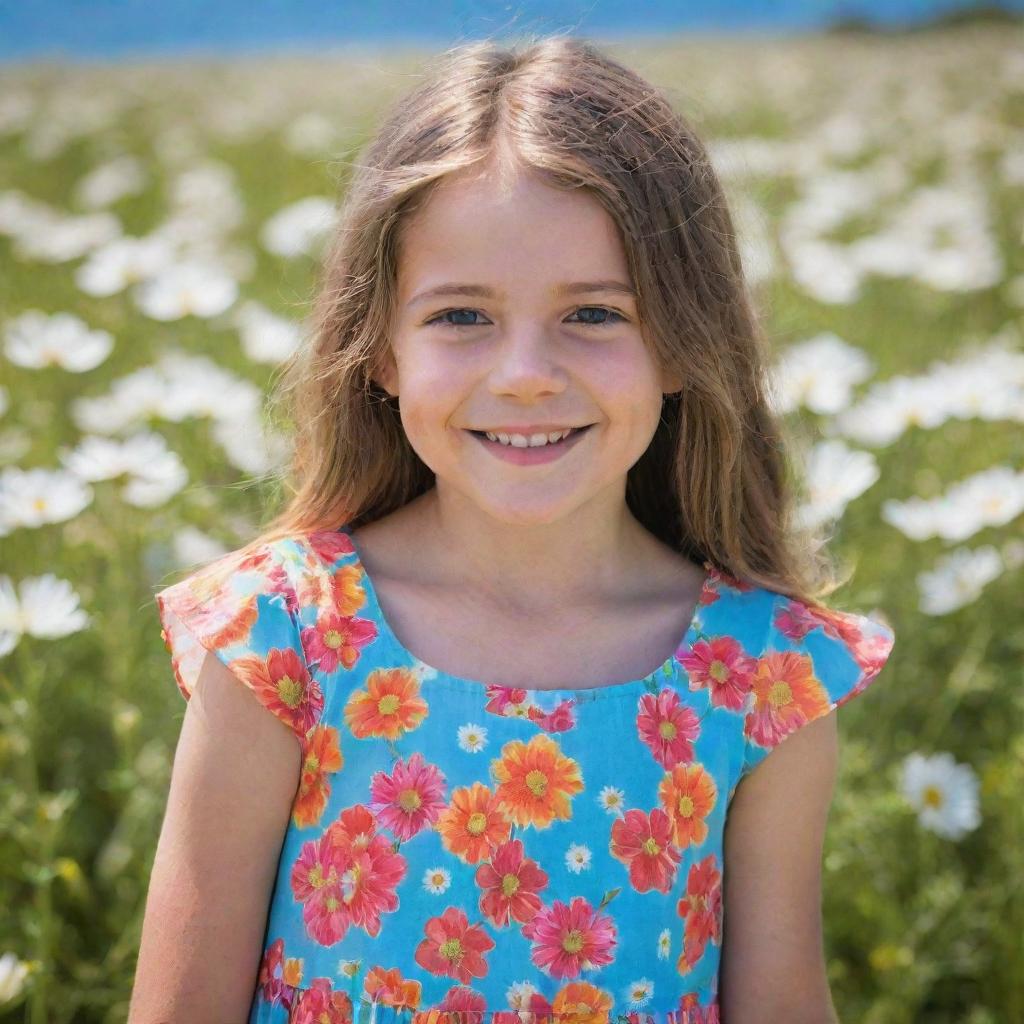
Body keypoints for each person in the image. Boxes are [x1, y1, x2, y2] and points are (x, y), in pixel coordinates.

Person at [129, 35, 896, 1024]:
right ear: (381, 350)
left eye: (592, 315)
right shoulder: (284, 636)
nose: (526, 372)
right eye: (460, 317)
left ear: (681, 343)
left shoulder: (764, 676)